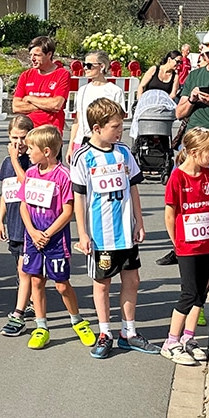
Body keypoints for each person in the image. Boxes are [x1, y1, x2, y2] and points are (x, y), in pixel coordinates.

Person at [71, 98, 160, 358]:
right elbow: (79, 197)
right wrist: (83, 233)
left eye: (121, 125)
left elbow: (133, 188)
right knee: (102, 284)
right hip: (101, 236)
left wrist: (139, 223)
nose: (120, 131)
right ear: (97, 128)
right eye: (115, 126)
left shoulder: (123, 152)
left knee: (132, 279)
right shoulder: (83, 157)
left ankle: (128, 332)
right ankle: (104, 332)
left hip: (126, 232)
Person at [16, 125, 95, 350]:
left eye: (31, 148)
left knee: (61, 285)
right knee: (36, 281)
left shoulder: (63, 176)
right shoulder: (30, 173)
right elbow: (24, 205)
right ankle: (42, 327)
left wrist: (48, 234)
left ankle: (77, 321)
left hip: (55, 240)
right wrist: (32, 231)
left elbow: (68, 211)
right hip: (32, 237)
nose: (27, 151)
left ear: (48, 151)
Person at [161, 127, 209, 366]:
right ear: (195, 152)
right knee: (188, 293)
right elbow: (170, 213)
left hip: (207, 241)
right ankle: (171, 341)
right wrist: (176, 241)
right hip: (187, 245)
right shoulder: (178, 177)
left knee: (201, 292)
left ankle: (189, 338)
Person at [0, 115, 35, 336]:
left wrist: (14, 159)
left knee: (24, 267)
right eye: (14, 138)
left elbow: (26, 183)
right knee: (19, 265)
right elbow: (7, 191)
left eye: (23, 138)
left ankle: (20, 311)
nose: (18, 143)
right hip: (12, 220)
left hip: (29, 222)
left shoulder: (31, 159)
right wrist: (0, 218)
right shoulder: (6, 162)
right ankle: (29, 298)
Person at [68, 50, 125, 161]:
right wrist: (71, 145)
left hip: (104, 143)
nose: (85, 68)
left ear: (102, 66)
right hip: (81, 142)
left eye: (89, 65)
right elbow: (77, 120)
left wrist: (115, 146)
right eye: (84, 65)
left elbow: (118, 123)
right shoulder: (82, 90)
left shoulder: (114, 91)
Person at [12, 36, 70, 133]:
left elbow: (56, 105)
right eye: (31, 55)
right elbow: (16, 106)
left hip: (50, 133)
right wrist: (46, 106)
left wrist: (30, 98)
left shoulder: (62, 74)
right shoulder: (26, 75)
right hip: (28, 132)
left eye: (37, 55)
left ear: (49, 54)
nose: (32, 59)